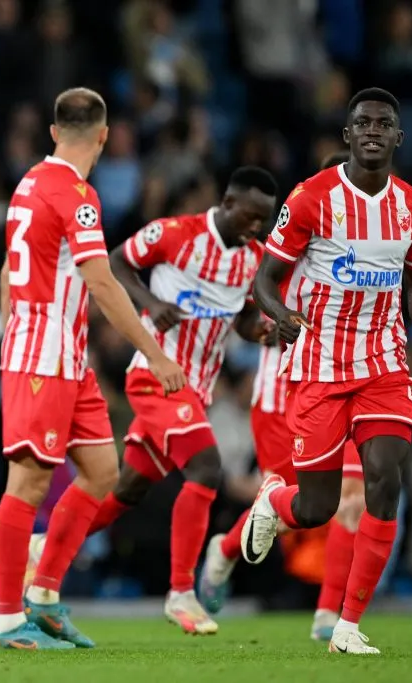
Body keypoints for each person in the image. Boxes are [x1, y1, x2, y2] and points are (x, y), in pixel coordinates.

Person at [241, 88, 412, 654]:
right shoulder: (311, 198)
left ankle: (347, 625)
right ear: (348, 135)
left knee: (385, 479)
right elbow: (265, 278)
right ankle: (274, 504)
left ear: (398, 137)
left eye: (385, 123)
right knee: (318, 508)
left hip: (383, 361)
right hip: (319, 365)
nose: (374, 131)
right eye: (363, 123)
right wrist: (282, 313)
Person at [34, 167, 278, 636]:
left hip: (196, 388)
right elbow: (114, 262)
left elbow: (243, 318)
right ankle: (182, 593)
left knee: (126, 492)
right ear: (227, 204)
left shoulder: (254, 259)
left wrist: (261, 332)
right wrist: (150, 300)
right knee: (207, 467)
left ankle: (44, 550)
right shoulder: (175, 234)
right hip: (155, 374)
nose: (256, 227)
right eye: (251, 215)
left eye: (263, 220)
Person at [0, 87, 186, 650]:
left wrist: (14, 327)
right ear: (102, 136)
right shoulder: (78, 196)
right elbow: (101, 280)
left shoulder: (28, 183)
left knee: (102, 471)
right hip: (43, 356)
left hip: (62, 357)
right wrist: (154, 353)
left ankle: (45, 597)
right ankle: (8, 622)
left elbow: (9, 268)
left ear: (54, 131)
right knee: (28, 483)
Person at [199, 151, 368, 642]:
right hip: (282, 397)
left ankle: (326, 616)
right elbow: (245, 308)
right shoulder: (287, 243)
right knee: (295, 510)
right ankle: (227, 550)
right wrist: (267, 326)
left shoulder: (372, 250)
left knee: (350, 499)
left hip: (350, 390)